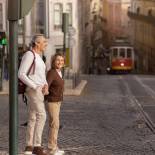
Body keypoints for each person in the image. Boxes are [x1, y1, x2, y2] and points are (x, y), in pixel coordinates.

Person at [18, 34, 49, 155]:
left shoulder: (39, 57)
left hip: (39, 89)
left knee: (33, 117)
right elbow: (21, 74)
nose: (46, 44)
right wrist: (35, 86)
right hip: (34, 90)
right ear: (37, 43)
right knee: (42, 115)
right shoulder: (29, 55)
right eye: (44, 42)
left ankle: (29, 146)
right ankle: (37, 145)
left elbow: (40, 75)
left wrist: (45, 84)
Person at [45, 53, 65, 155]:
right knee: (54, 124)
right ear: (53, 61)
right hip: (52, 101)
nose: (60, 62)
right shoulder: (52, 72)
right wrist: (47, 93)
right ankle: (51, 148)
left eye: (62, 60)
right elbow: (46, 86)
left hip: (58, 101)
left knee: (55, 124)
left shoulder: (59, 72)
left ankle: (53, 146)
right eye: (58, 60)